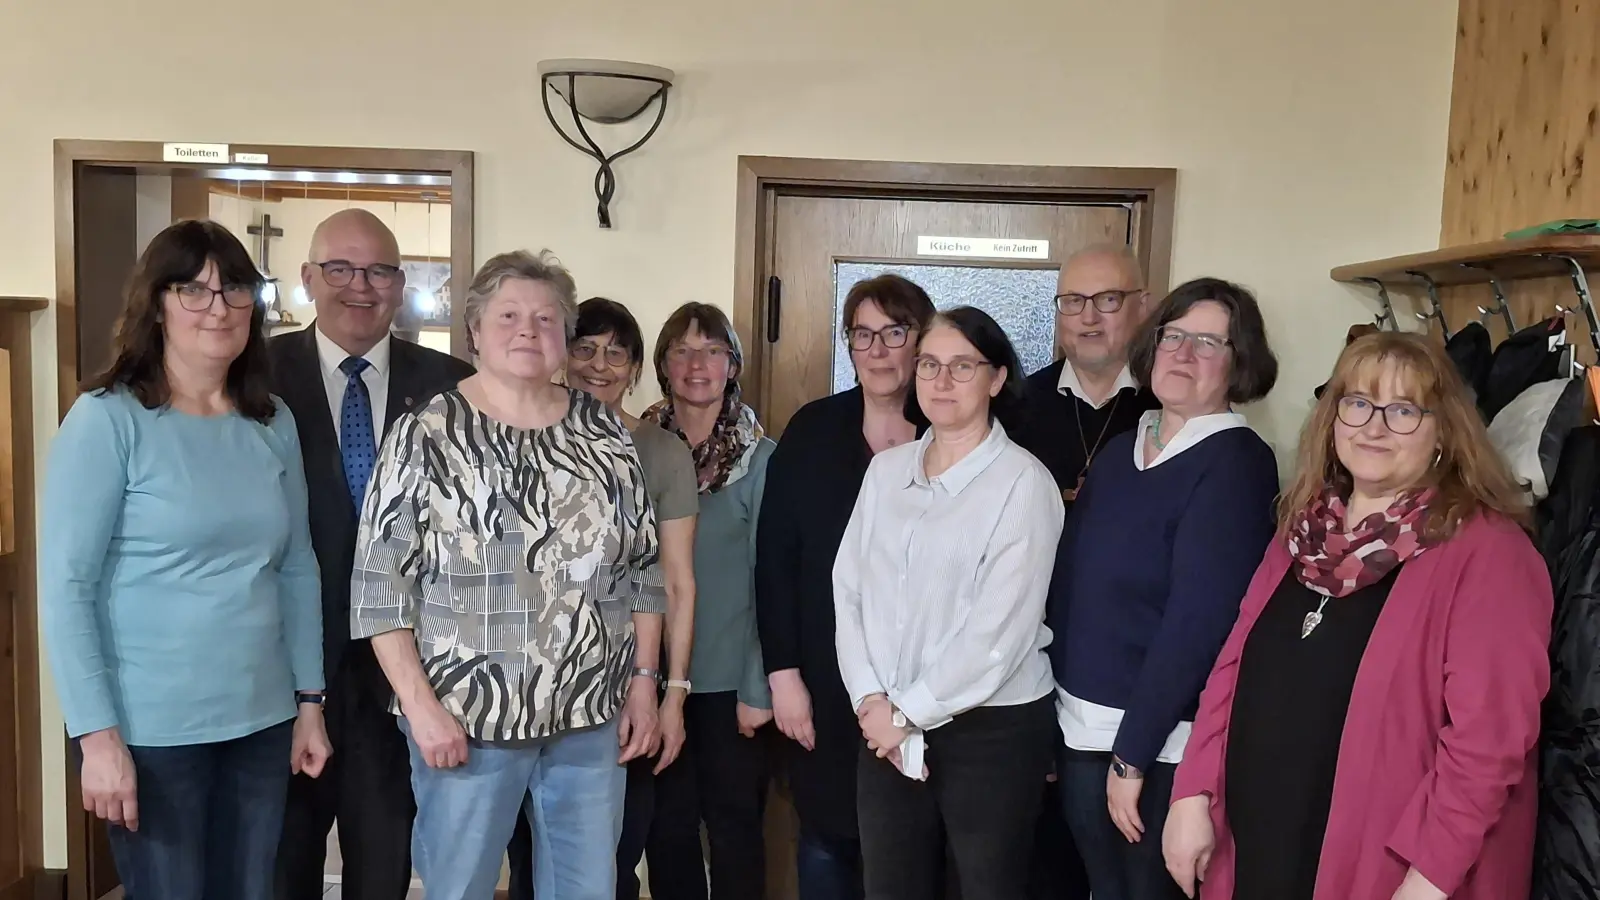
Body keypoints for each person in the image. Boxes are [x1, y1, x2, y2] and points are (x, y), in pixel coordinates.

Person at [1164, 332, 1550, 900]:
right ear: (1333, 417)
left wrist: (1428, 879)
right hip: (1257, 845)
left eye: (1402, 410)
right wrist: (1192, 793)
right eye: (1358, 403)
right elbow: (1234, 668)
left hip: (1388, 872)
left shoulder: (1490, 553)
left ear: (1443, 430)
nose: (1374, 426)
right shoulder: (1304, 530)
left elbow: (1488, 744)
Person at [351, 250, 665, 900]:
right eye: (510, 315)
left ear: (563, 337)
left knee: (587, 889)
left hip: (589, 714)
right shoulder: (427, 434)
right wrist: (419, 706)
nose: (529, 329)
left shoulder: (605, 435)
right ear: (474, 330)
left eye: (546, 318)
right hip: (464, 718)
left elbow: (643, 570)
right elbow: (380, 588)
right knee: (459, 886)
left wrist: (642, 685)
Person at [41, 219, 329, 900]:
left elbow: (296, 567)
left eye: (233, 288)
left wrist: (309, 702)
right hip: (152, 730)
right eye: (193, 289)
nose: (218, 307)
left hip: (262, 723)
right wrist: (98, 739)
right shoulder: (107, 418)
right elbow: (66, 588)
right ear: (157, 302)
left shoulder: (270, 419)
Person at [1047, 278, 1280, 900]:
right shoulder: (1123, 452)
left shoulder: (1237, 463)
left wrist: (1133, 756)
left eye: (1208, 341)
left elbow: (1198, 624)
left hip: (1159, 746)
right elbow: (1069, 587)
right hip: (1079, 731)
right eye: (1173, 336)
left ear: (1240, 362)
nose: (1183, 353)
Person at [271, 208, 473, 900]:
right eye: (340, 269)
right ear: (308, 279)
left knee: (384, 863)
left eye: (380, 270)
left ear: (402, 281)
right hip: (286, 666)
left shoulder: (453, 385)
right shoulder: (255, 377)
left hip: (405, 672)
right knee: (283, 863)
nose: (361, 286)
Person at [835, 306, 1062, 900]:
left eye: (962, 366)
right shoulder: (886, 473)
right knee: (890, 887)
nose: (941, 380)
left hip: (990, 731)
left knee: (985, 889)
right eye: (930, 364)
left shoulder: (1023, 483)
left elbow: (999, 634)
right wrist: (869, 701)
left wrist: (906, 713)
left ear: (997, 378)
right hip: (882, 725)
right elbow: (849, 591)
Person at [505, 296, 699, 900]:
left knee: (613, 856)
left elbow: (676, 582)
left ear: (637, 368)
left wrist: (671, 693)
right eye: (586, 348)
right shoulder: (518, 436)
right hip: (528, 688)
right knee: (528, 855)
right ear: (563, 354)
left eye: (617, 353)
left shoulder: (660, 452)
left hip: (625, 688)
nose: (600, 364)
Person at [757, 274, 936, 900]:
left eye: (895, 332)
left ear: (922, 341)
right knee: (829, 837)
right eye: (863, 334)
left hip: (929, 687)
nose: (879, 349)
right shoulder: (811, 432)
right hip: (826, 680)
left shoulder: (954, 434)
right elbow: (774, 562)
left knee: (915, 845)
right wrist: (783, 676)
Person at [1015, 244, 1156, 900]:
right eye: (1073, 301)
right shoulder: (1015, 406)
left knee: (1132, 872)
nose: (1089, 318)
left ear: (1143, 307)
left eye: (1108, 300)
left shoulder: (1172, 406)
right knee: (1040, 865)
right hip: (1026, 666)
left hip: (1136, 681)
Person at [639, 302, 776, 900]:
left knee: (735, 833)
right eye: (682, 351)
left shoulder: (761, 459)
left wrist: (757, 687)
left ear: (733, 364)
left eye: (712, 350)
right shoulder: (630, 449)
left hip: (729, 688)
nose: (697, 364)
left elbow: (770, 580)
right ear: (663, 365)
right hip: (647, 680)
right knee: (664, 834)